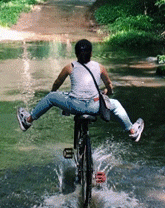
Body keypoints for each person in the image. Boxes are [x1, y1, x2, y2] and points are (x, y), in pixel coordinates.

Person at [17, 39, 145, 141]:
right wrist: (108, 92)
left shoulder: (70, 67)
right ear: (91, 53)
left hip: (74, 106)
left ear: (76, 54)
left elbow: (57, 83)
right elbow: (109, 85)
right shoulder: (99, 67)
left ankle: (28, 120)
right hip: (95, 107)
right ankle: (131, 131)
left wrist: (54, 92)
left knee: (51, 97)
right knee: (116, 104)